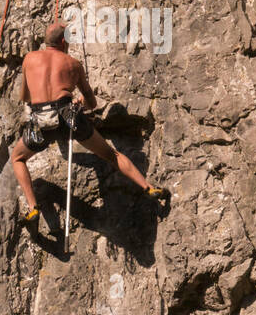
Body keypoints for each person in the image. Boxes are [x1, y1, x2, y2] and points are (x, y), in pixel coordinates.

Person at [10, 22, 170, 225]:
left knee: (18, 158)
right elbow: (91, 103)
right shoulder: (73, 64)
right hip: (67, 114)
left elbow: (25, 96)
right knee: (111, 155)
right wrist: (79, 101)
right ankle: (148, 187)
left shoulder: (29, 59)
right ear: (63, 41)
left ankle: (33, 208)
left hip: (41, 119)